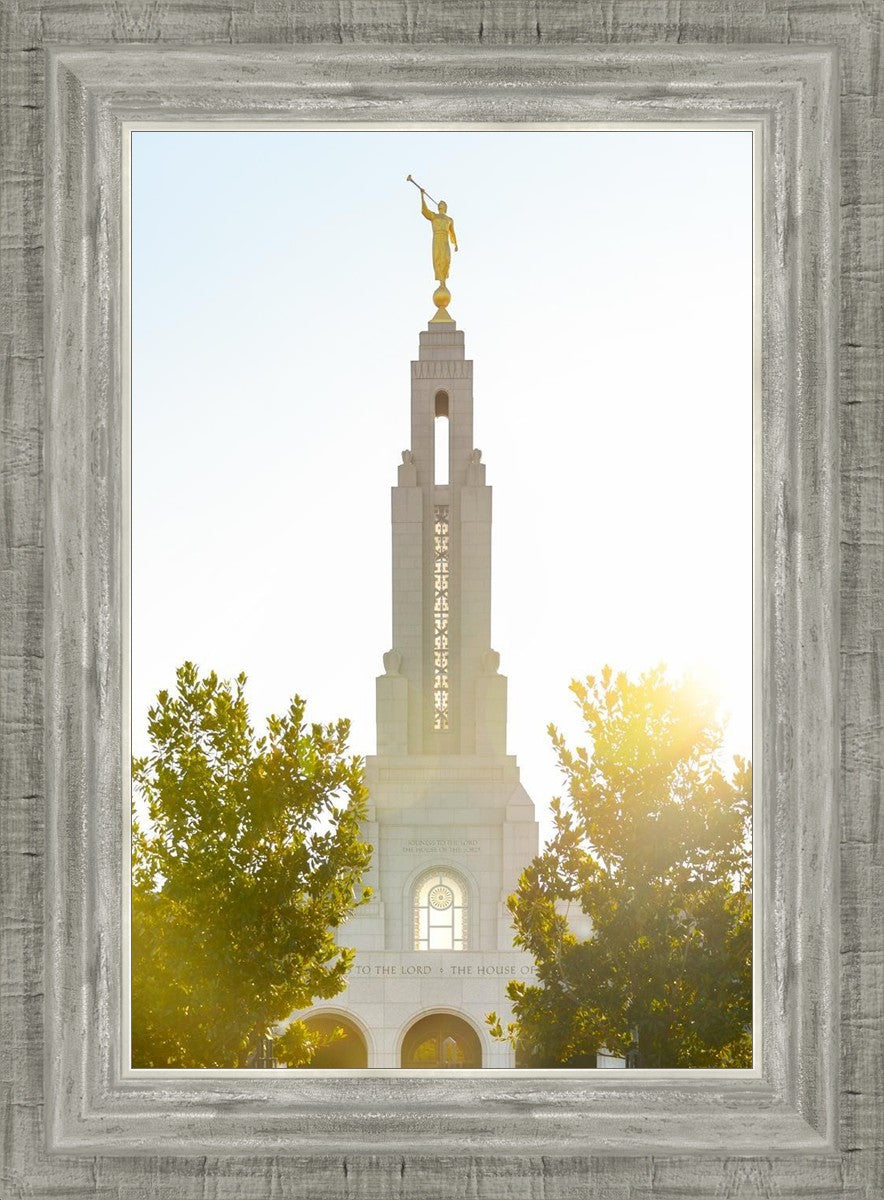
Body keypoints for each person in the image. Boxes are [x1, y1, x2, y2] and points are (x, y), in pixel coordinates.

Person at [420, 189, 458, 283]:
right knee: (437, 258)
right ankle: (441, 281)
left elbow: (452, 232)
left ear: (445, 207)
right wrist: (422, 196)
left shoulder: (449, 219)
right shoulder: (434, 216)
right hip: (437, 238)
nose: (440, 204)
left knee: (446, 258)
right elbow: (425, 211)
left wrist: (455, 244)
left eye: (442, 203)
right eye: (440, 203)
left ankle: (444, 280)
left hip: (445, 239)